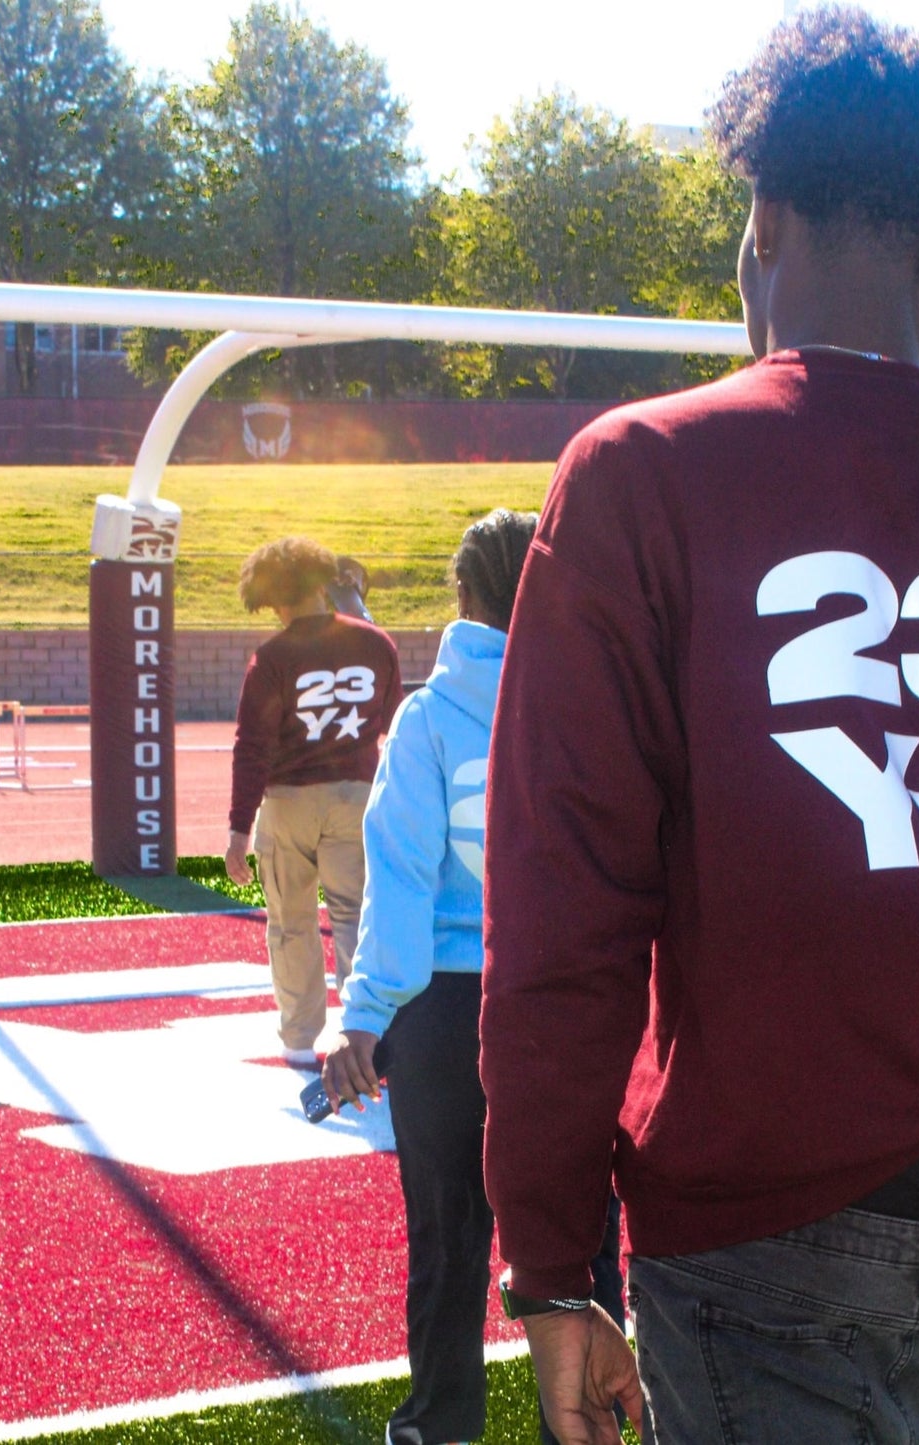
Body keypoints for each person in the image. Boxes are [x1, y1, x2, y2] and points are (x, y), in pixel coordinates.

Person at [479, 9, 919, 1445]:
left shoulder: (638, 470)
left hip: (757, 1197)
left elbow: (565, 906)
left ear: (763, 215)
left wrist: (548, 1256)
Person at [323, 510, 627, 1445]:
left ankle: (441, 1420)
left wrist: (363, 1013)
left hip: (449, 1010)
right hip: (569, 999)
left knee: (448, 1231)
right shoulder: (593, 704)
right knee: (581, 1226)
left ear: (461, 594)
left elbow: (402, 880)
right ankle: (594, 1414)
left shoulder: (426, 719)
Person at [225, 536, 402, 1065]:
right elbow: (392, 730)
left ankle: (300, 1042)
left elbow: (251, 747)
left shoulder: (271, 659)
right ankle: (362, 1035)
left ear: (274, 600)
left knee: (291, 921)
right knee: (356, 917)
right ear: (324, 583)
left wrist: (238, 828)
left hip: (288, 801)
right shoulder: (377, 645)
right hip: (357, 796)